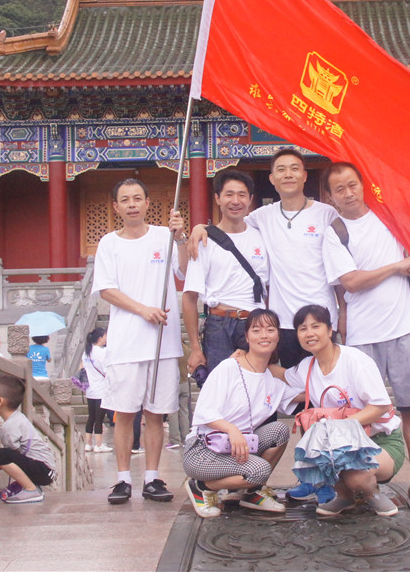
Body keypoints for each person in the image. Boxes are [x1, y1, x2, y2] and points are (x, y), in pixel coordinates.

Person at [317, 113, 410, 505]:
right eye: (339, 189)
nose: (348, 193)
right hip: (362, 336)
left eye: (352, 185)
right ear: (330, 197)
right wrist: (397, 267)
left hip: (403, 327)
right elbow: (351, 282)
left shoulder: (390, 214)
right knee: (360, 411)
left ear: (363, 185)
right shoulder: (335, 232)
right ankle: (362, 480)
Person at [190, 149, 338, 370]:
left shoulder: (327, 214)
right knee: (290, 384)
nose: (288, 174)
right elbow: (230, 225)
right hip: (284, 322)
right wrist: (200, 228)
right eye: (281, 170)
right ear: (272, 179)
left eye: (294, 169)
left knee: (327, 380)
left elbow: (341, 265)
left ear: (305, 176)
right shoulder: (262, 216)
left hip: (322, 318)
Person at [92, 178, 188, 505]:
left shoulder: (164, 236)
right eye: (125, 200)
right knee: (125, 413)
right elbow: (106, 289)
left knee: (156, 414)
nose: (132, 204)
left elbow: (184, 271)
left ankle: (152, 478)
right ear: (116, 207)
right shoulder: (109, 243)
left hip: (163, 342)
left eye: (137, 198)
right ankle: (122, 480)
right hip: (126, 343)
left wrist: (181, 238)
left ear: (148, 203)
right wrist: (142, 309)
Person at [274, 304, 405, 517]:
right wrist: (250, 357)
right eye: (303, 328)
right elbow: (282, 375)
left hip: (380, 441)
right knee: (316, 444)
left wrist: (339, 427)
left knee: (356, 476)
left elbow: (380, 406)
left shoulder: (355, 360)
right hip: (341, 443)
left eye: (316, 326)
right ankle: (344, 496)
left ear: (329, 329)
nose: (309, 333)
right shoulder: (307, 367)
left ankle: (370, 493)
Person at [182, 308, 294, 518]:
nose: (264, 335)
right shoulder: (229, 367)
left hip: (236, 448)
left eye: (270, 330)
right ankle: (201, 486)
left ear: (278, 336)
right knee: (260, 470)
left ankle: (250, 493)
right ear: (247, 337)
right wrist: (231, 429)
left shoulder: (272, 381)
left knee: (279, 430)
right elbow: (204, 412)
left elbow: (305, 394)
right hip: (203, 450)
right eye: (256, 330)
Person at [182, 169, 270, 376]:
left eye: (242, 195)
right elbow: (189, 296)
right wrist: (195, 348)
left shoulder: (263, 236)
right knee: (220, 387)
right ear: (217, 198)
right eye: (229, 194)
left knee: (258, 385)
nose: (236, 201)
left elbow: (270, 287)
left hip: (255, 323)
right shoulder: (204, 240)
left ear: (250, 199)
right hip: (219, 325)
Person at [0, 374, 56, 504]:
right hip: (46, 470)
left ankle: (30, 489)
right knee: (4, 456)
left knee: (1, 454)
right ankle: (30, 487)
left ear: (0, 401)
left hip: (43, 470)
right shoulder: (18, 418)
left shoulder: (10, 427)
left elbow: (7, 459)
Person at [82, 327, 113, 453]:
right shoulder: (102, 352)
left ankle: (88, 443)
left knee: (91, 417)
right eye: (105, 336)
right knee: (99, 419)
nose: (106, 338)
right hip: (101, 389)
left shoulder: (86, 352)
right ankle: (99, 445)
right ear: (100, 338)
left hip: (90, 389)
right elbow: (106, 370)